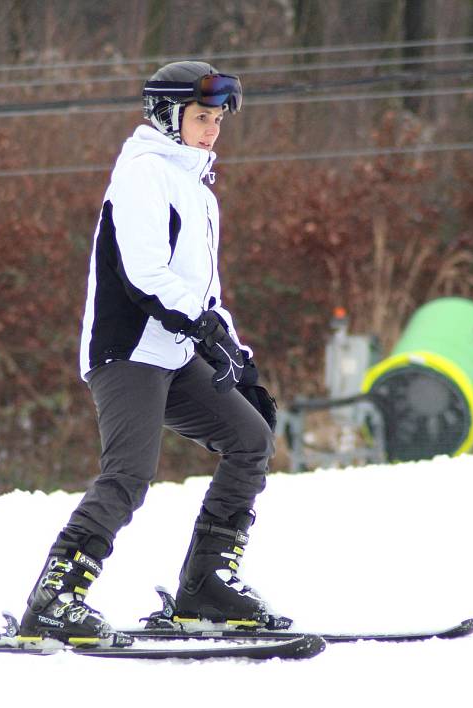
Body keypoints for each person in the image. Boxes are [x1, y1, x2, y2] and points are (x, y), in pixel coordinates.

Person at [19, 61, 283, 645]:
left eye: (217, 119)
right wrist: (204, 326)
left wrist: (235, 355)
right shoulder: (142, 173)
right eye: (200, 117)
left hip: (174, 349)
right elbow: (145, 274)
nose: (212, 130)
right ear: (168, 116)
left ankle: (206, 585)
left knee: (250, 439)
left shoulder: (196, 186)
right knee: (129, 474)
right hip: (129, 349)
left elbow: (204, 290)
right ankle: (55, 597)